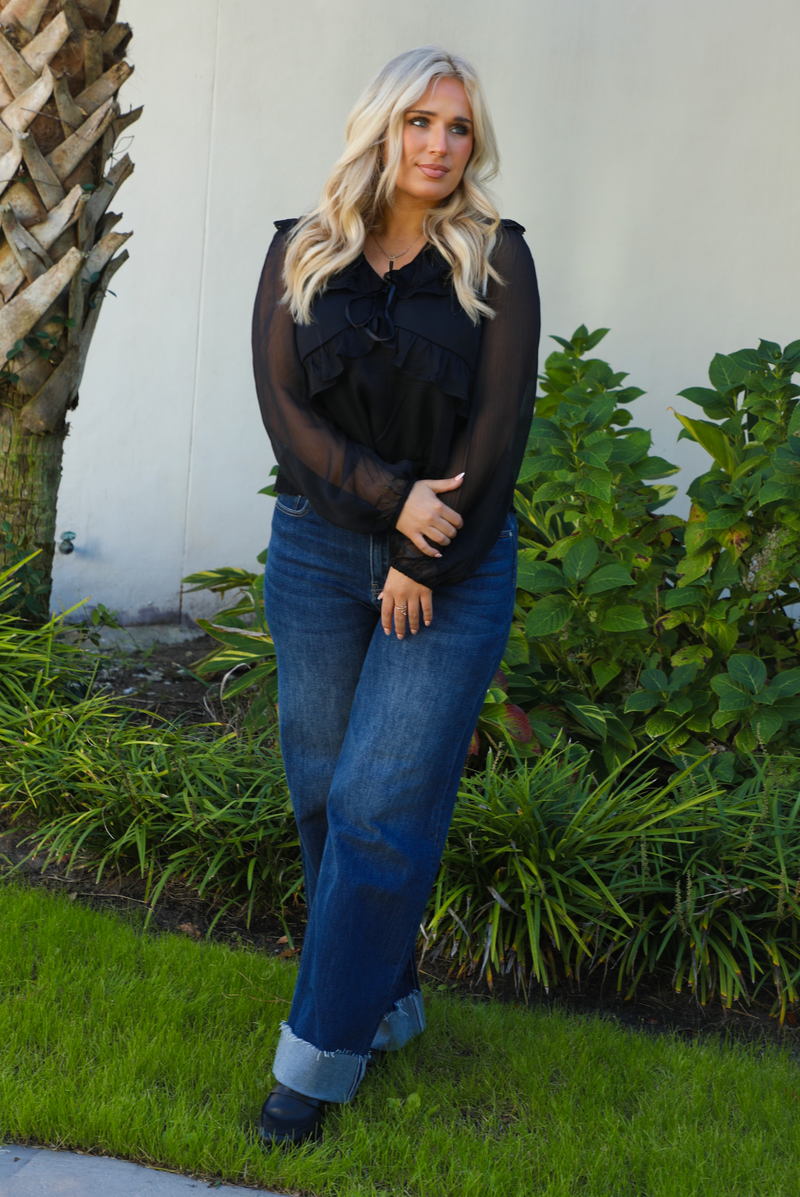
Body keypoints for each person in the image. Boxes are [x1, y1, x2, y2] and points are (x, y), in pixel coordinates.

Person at [252, 44, 540, 1146]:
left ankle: (312, 1066)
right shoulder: (300, 249)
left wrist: (422, 557)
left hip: (449, 569)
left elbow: (499, 428)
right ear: (379, 128)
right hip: (317, 555)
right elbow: (285, 411)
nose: (437, 144)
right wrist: (383, 500)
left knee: (378, 805)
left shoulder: (493, 258)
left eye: (456, 127)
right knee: (325, 794)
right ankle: (386, 1002)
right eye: (419, 121)